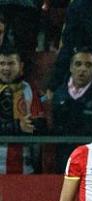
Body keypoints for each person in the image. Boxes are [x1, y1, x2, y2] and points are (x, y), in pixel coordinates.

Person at [0, 46, 45, 174]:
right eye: (2, 63)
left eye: (11, 63)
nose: (6, 68)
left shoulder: (29, 89)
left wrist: (35, 124)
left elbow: (40, 123)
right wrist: (18, 126)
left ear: (21, 66)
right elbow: (22, 126)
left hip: (24, 168)